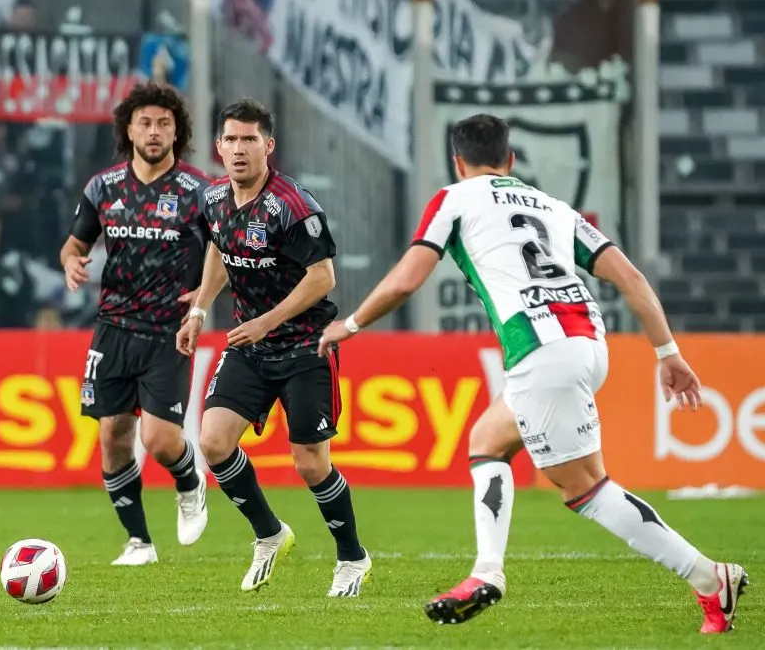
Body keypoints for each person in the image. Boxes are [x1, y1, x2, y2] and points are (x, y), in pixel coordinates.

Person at [317, 113, 747, 632]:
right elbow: (630, 277)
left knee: (587, 490)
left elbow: (408, 279)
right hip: (587, 341)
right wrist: (667, 351)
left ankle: (708, 578)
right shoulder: (554, 207)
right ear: (511, 160)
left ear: (457, 162)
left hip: (540, 348)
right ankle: (487, 572)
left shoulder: (453, 199)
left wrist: (354, 322)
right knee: (487, 440)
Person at [177, 99, 372, 597]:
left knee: (310, 462)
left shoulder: (293, 204)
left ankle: (352, 557)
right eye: (231, 140)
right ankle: (269, 533)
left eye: (249, 140)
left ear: (269, 145)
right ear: (219, 147)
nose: (239, 150)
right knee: (214, 441)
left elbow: (322, 277)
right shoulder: (215, 199)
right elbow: (221, 248)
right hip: (251, 346)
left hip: (305, 345)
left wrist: (268, 320)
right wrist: (199, 310)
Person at [60, 82, 211, 565]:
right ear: (128, 129)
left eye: (164, 123)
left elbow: (225, 252)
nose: (154, 131)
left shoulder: (200, 192)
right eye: (145, 122)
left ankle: (190, 484)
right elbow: (74, 245)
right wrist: (71, 263)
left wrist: (203, 296)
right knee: (112, 435)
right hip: (114, 327)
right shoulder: (103, 187)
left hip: (170, 329)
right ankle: (139, 541)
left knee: (160, 439)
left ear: (176, 131)